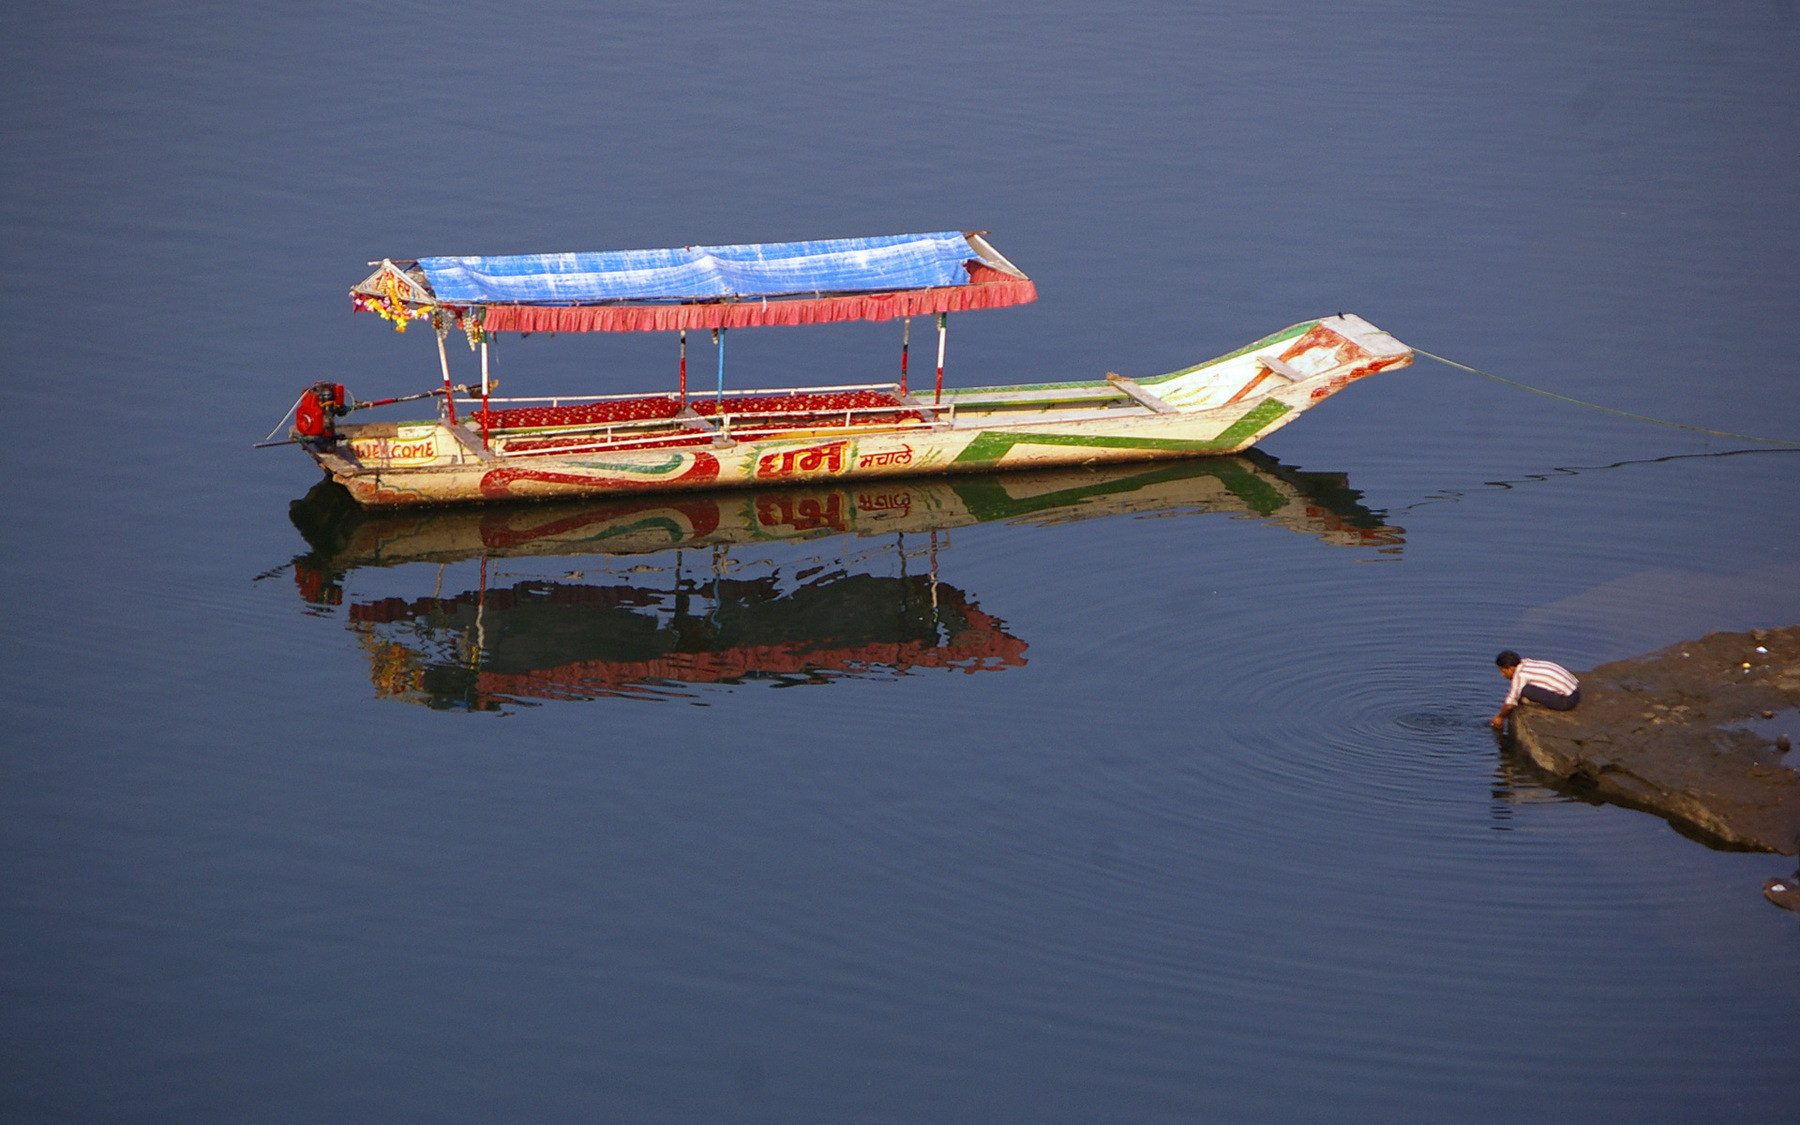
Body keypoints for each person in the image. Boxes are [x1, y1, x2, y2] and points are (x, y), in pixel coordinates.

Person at [1490, 650, 1580, 730]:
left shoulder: (1520, 675)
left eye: (1503, 671)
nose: (1502, 675)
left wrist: (1500, 717)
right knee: (1524, 690)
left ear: (1510, 668)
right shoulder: (1526, 662)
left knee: (1525, 690)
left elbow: (1510, 703)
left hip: (1567, 701)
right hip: (1575, 689)